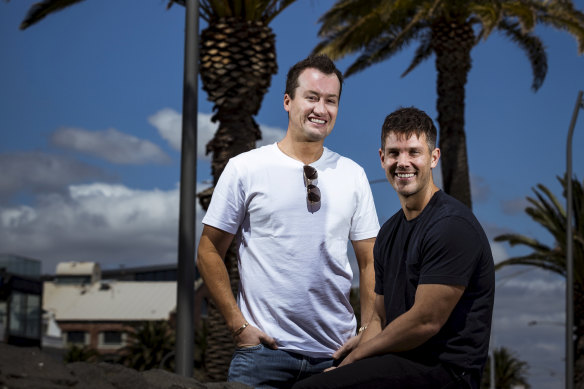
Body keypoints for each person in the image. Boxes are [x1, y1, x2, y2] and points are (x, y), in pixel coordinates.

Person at [197, 54, 380, 388]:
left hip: (335, 357)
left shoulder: (353, 174)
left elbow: (370, 261)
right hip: (262, 356)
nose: (321, 109)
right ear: (287, 101)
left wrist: (366, 333)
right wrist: (238, 327)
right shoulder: (245, 168)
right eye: (311, 97)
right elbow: (209, 250)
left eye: (331, 101)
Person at [292, 107, 495, 389]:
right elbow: (381, 316)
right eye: (394, 153)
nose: (403, 162)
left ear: (434, 158)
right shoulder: (388, 233)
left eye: (414, 152)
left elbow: (425, 321)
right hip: (399, 363)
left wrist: (356, 359)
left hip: (445, 372)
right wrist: (353, 356)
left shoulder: (452, 226)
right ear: (381, 158)